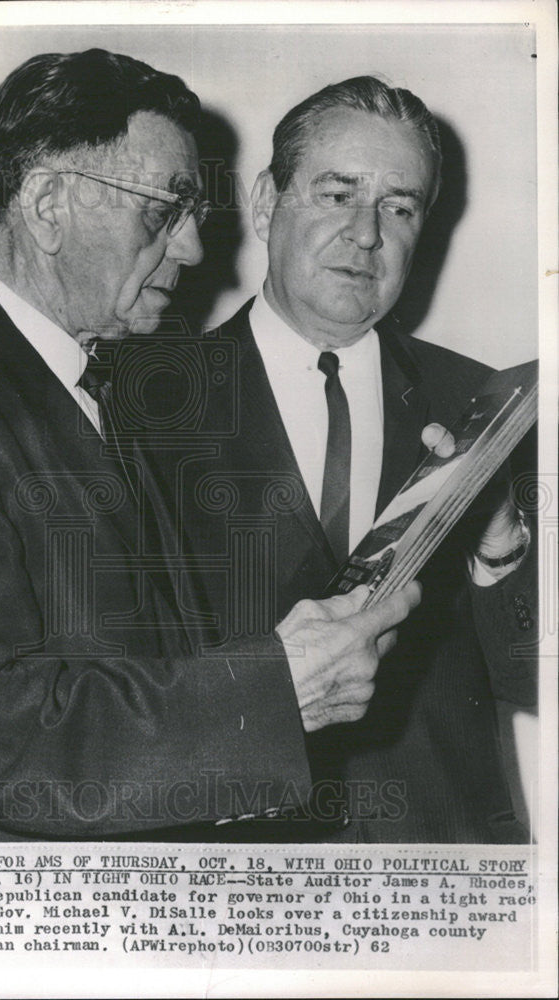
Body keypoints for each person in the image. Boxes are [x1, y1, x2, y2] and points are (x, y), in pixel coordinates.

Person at [0, 52, 420, 842]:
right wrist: (270, 693)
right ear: (48, 205)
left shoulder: (106, 395)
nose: (189, 249)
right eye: (163, 210)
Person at [140, 76, 537, 843]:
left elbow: (532, 675)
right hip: (235, 887)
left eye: (399, 206)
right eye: (336, 194)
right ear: (264, 201)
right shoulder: (142, 404)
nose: (366, 233)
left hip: (437, 877)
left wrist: (500, 545)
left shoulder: (485, 404)